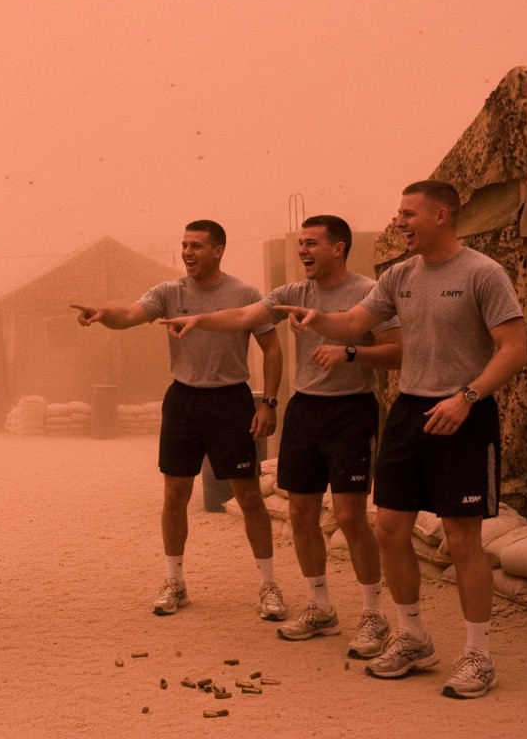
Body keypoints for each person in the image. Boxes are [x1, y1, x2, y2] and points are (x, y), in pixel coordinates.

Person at [278, 180, 526, 699]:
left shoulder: (483, 273)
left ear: (441, 215)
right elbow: (354, 321)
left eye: (408, 214)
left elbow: (513, 349)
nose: (399, 222)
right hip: (408, 411)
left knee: (462, 539)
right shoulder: (398, 275)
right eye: (398, 214)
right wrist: (319, 319)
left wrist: (467, 398)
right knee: (389, 528)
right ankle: (413, 637)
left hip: (464, 412)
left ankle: (478, 655)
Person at [162, 215, 401, 660]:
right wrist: (198, 319)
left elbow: (398, 352)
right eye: (300, 244)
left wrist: (350, 352)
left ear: (339, 248)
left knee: (350, 516)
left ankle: (374, 614)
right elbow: (243, 315)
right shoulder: (292, 293)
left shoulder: (370, 292)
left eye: (312, 243)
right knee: (301, 513)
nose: (302, 251)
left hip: (352, 409)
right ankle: (320, 607)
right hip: (305, 408)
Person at [72, 220, 287, 622]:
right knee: (175, 495)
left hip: (231, 401)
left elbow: (272, 349)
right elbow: (130, 314)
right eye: (185, 245)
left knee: (248, 496)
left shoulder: (244, 294)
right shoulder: (169, 292)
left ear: (218, 250)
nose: (187, 252)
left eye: (197, 246)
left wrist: (269, 403)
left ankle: (268, 585)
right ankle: (175, 583)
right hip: (183, 401)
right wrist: (102, 314)